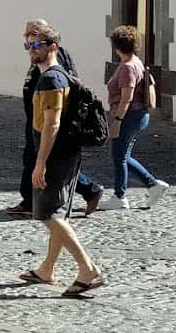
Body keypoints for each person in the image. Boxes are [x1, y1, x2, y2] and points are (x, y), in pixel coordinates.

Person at [19, 27, 104, 297]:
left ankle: (88, 269)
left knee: (47, 213)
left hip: (55, 155)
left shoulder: (52, 80)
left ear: (52, 47)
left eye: (36, 45)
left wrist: (40, 162)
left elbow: (52, 124)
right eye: (28, 45)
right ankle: (47, 269)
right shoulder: (54, 76)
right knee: (57, 213)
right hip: (63, 153)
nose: (31, 50)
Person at [6, 19, 103, 218]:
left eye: (33, 37)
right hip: (37, 119)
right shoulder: (41, 62)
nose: (28, 42)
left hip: (51, 125)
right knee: (32, 161)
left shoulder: (54, 68)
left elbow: (56, 114)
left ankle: (86, 191)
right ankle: (32, 201)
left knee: (51, 213)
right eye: (27, 39)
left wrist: (42, 157)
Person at [97, 24, 169, 211]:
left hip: (129, 117)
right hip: (138, 116)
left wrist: (117, 121)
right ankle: (153, 186)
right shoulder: (136, 62)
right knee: (123, 156)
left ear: (117, 46)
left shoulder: (128, 67)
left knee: (118, 157)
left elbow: (127, 96)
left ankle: (120, 197)